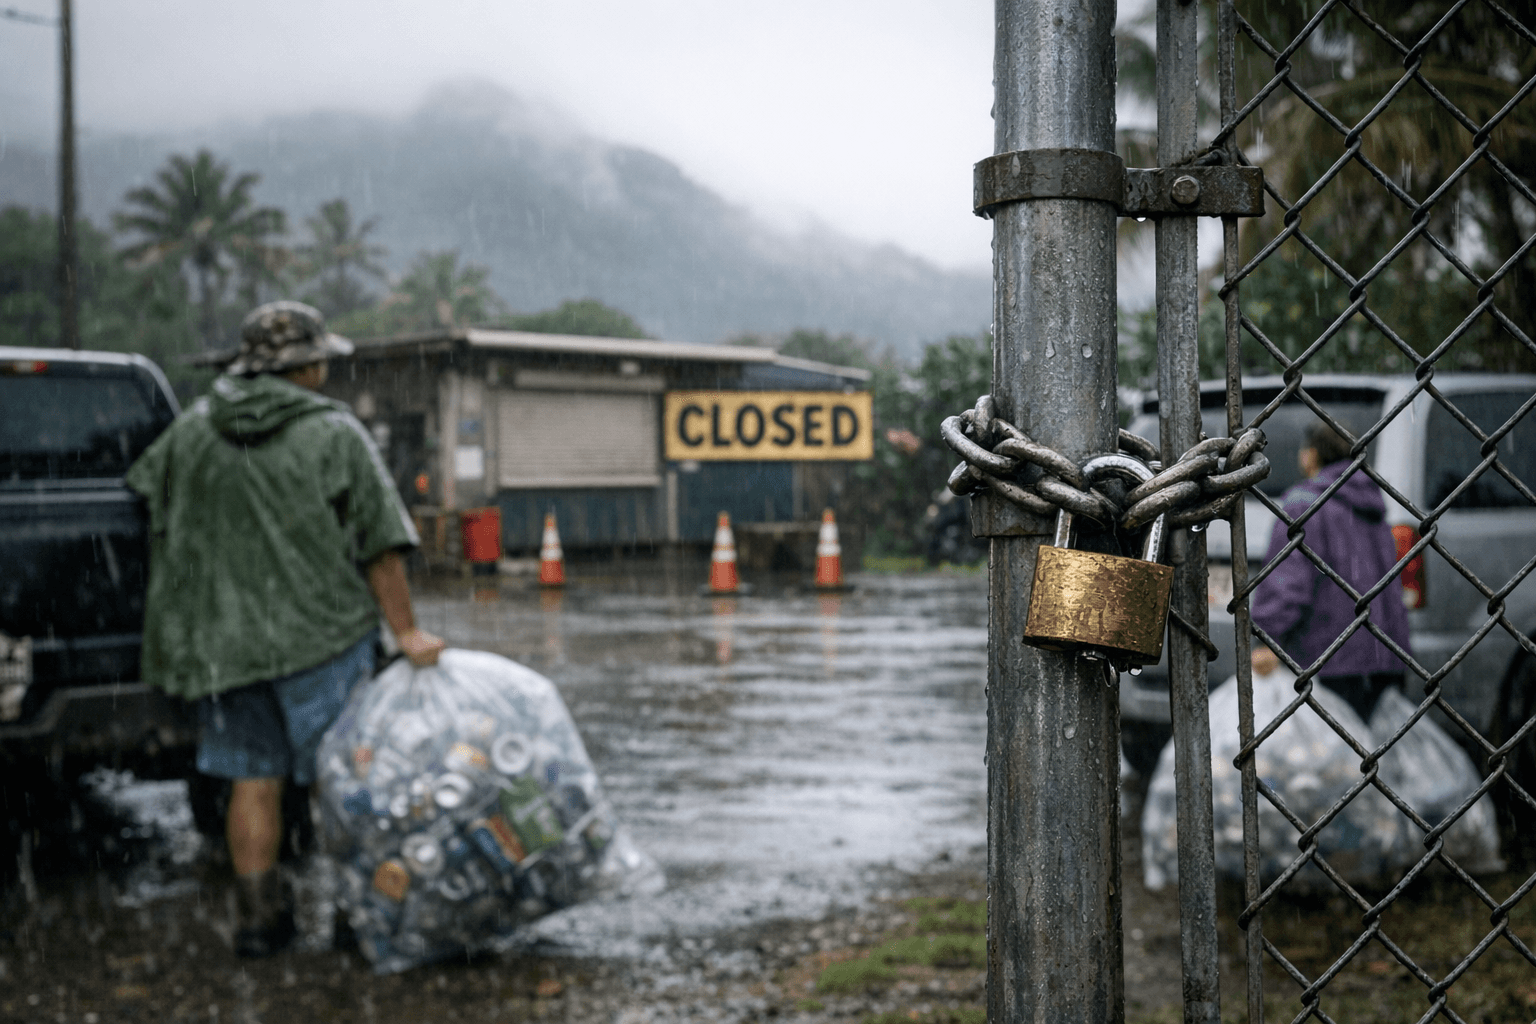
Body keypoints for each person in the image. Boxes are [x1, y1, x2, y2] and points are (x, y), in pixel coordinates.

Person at [126, 301, 446, 957]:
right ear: (302, 367)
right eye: (320, 357)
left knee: (253, 780)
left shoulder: (192, 430)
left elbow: (144, 495)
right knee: (340, 780)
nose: (326, 367)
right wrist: (408, 633)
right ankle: (356, 918)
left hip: (225, 648)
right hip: (321, 638)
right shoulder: (334, 432)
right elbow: (381, 544)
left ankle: (257, 924)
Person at [1251, 420, 1411, 719]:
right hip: (1385, 657)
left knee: (1328, 757)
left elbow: (1287, 584)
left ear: (1310, 455)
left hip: (1327, 659)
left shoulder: (1304, 504)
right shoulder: (1374, 504)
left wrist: (1267, 638)